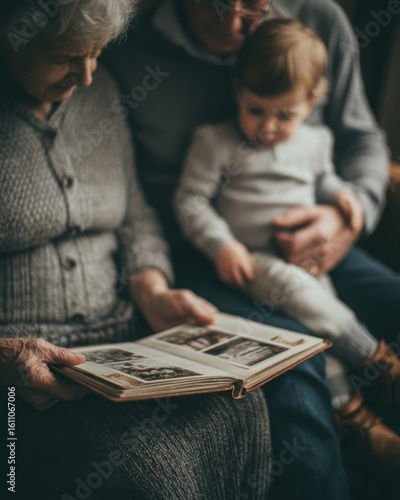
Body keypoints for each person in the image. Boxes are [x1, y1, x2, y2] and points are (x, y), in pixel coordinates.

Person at [104, 0, 400, 497]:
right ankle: (364, 382)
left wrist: (346, 212)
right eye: (214, 6)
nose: (232, 22)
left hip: (321, 248)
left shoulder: (320, 22)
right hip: (223, 260)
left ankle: (364, 412)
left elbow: (355, 146)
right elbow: (180, 201)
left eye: (252, 8)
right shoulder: (126, 48)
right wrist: (215, 247)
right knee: (296, 354)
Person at [0, 1, 272, 499]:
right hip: (22, 379)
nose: (85, 76)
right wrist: (8, 354)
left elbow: (136, 216)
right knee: (153, 476)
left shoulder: (100, 93)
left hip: (118, 338)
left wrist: (150, 286)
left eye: (97, 53)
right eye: (64, 55)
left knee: (242, 406)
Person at [174, 17, 400, 427]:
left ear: (311, 104)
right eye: (255, 110)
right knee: (297, 291)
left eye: (284, 114)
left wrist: (343, 196)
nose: (266, 126)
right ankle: (376, 357)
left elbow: (324, 179)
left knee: (321, 325)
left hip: (310, 256)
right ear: (237, 91)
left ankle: (352, 418)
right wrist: (221, 244)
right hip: (252, 258)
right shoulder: (216, 141)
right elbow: (191, 201)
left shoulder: (316, 141)